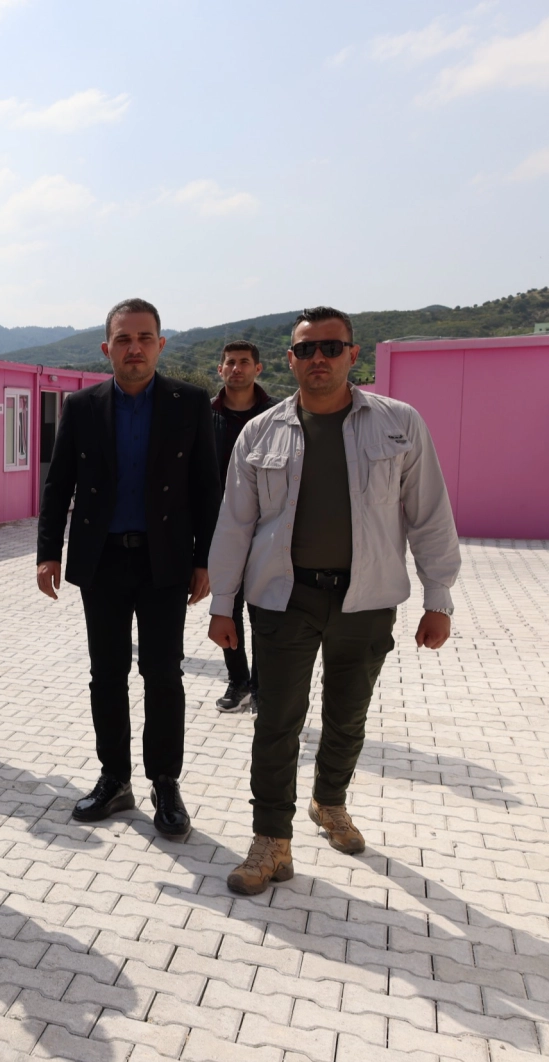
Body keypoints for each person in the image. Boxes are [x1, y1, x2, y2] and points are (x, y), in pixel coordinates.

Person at [212, 306, 460, 896]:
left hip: (366, 598)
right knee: (277, 720)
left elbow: (429, 514)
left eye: (330, 347)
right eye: (306, 349)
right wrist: (223, 602)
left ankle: (329, 802)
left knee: (347, 715)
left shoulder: (398, 423)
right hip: (284, 597)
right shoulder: (261, 432)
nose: (317, 358)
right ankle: (271, 840)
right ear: (291, 359)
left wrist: (439, 597)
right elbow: (235, 523)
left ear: (353, 354)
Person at [36, 298, 219, 841]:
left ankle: (165, 782)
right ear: (107, 348)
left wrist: (206, 559)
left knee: (163, 674)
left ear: (161, 344)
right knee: (107, 674)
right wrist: (48, 551)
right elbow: (58, 483)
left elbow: (207, 487)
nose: (133, 348)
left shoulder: (190, 403)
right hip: (103, 560)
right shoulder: (82, 406)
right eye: (123, 339)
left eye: (143, 338)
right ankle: (115, 778)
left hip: (166, 561)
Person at [209, 341, 275, 715]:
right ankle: (239, 681)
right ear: (220, 369)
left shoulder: (278, 415)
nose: (237, 368)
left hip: (268, 529)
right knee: (227, 606)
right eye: (230, 362)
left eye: (244, 362)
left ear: (257, 368)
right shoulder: (206, 416)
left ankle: (263, 687)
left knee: (264, 611)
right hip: (222, 530)